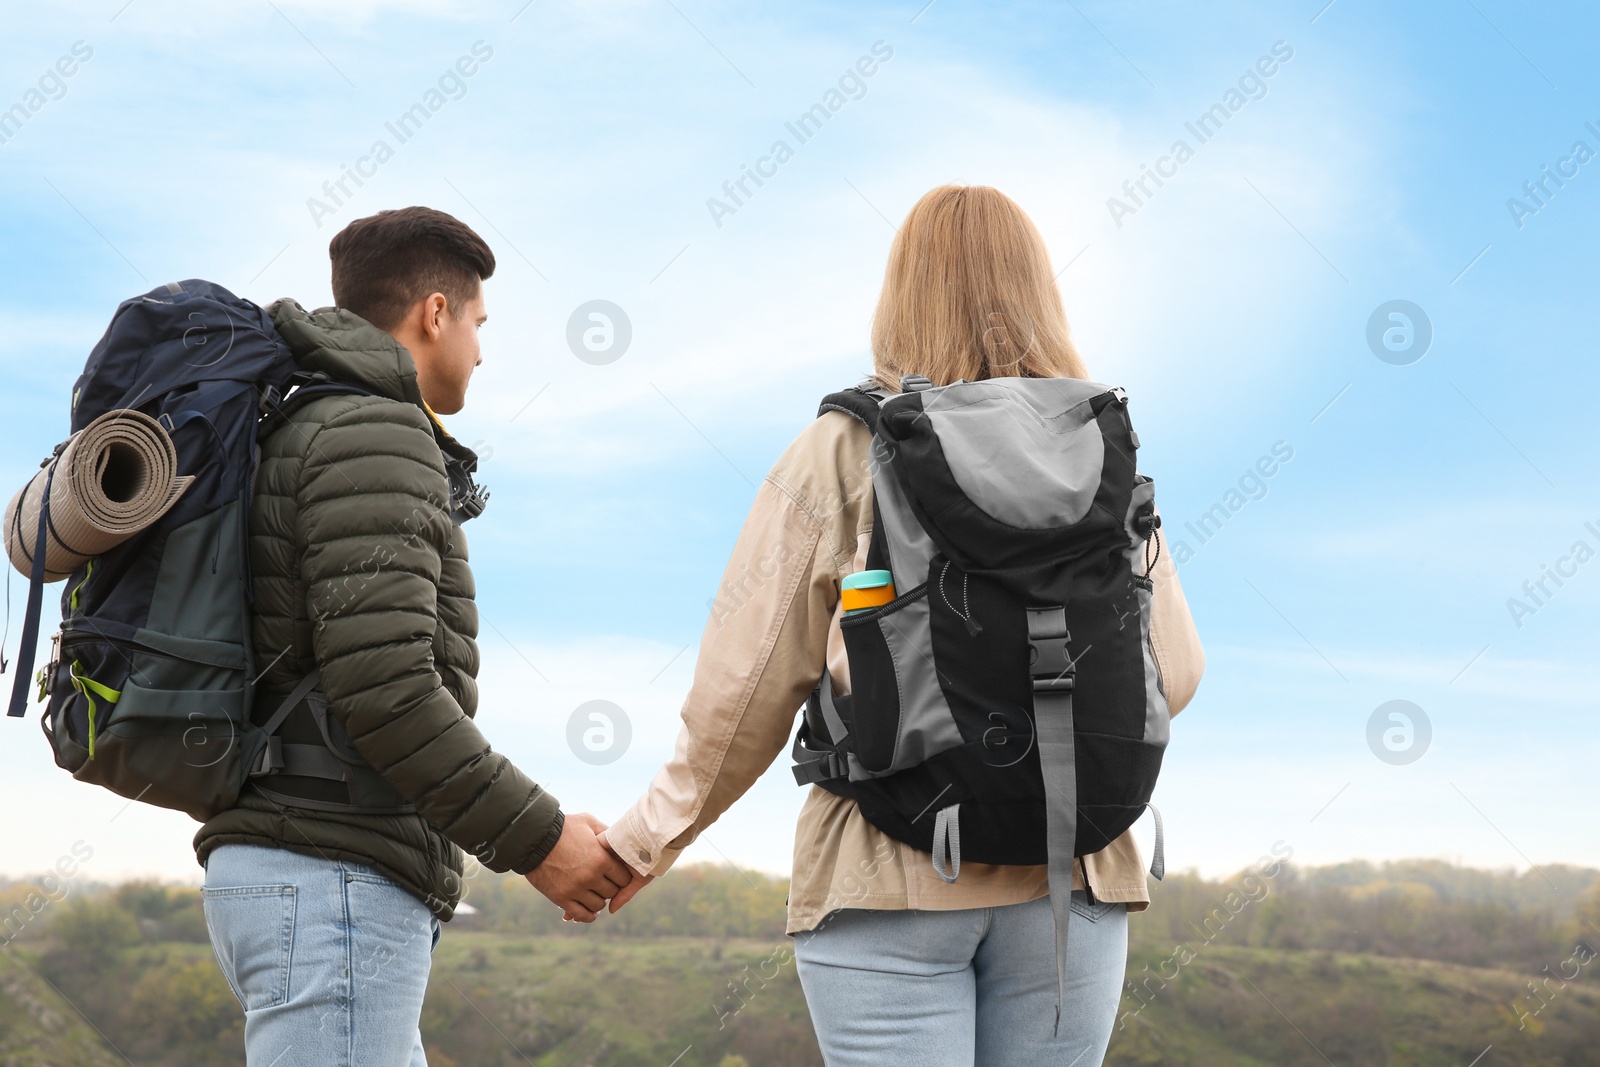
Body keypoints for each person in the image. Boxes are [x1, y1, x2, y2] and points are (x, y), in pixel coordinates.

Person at [602, 185, 1204, 1065]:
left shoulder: (845, 447)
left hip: (890, 875)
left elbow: (745, 690)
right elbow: (1174, 672)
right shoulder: (1098, 447)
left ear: (901, 292)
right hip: (1074, 878)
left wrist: (639, 843)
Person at [194, 207, 633, 1066]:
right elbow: (387, 691)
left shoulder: (292, 422)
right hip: (334, 881)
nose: (480, 348)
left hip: (290, 871)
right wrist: (541, 841)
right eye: (477, 323)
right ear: (434, 313)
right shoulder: (375, 431)